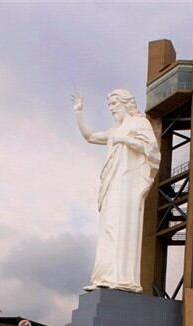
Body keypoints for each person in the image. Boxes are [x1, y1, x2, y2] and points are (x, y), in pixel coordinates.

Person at [72, 90, 160, 293]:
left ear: (125, 103)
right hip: (112, 183)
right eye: (109, 105)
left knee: (122, 226)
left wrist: (125, 140)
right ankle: (105, 276)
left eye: (113, 104)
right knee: (108, 227)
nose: (111, 109)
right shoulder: (115, 130)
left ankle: (122, 278)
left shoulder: (139, 124)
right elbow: (91, 136)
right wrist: (79, 113)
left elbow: (152, 150)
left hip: (128, 183)